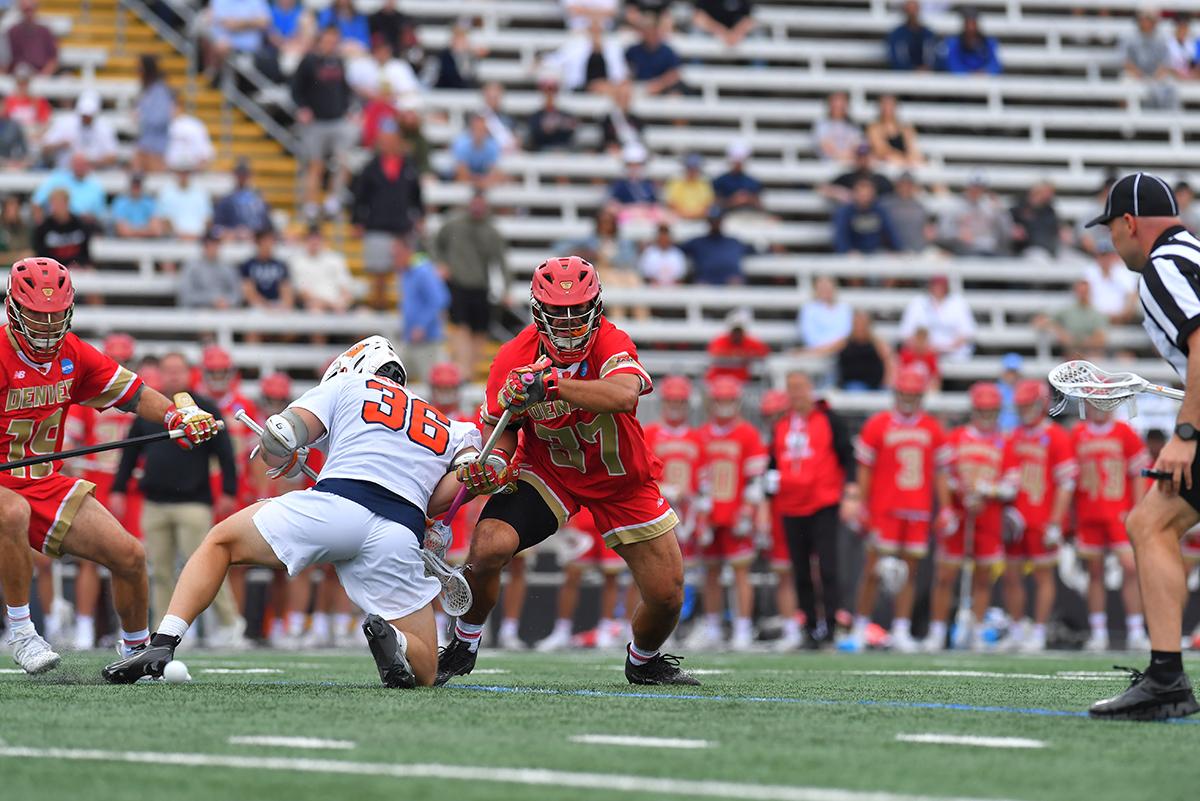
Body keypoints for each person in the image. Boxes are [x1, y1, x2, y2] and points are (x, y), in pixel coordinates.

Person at [103, 336, 483, 688]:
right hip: (401, 529)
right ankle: (395, 638)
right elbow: (463, 482)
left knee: (220, 542)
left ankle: (163, 641)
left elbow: (281, 434)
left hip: (338, 506)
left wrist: (287, 452)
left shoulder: (345, 385)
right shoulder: (450, 424)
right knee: (426, 669)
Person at [435, 256, 699, 687]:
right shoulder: (512, 358)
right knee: (486, 549)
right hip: (550, 471)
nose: (570, 321)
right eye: (559, 311)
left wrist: (552, 385)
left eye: (579, 310)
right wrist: (496, 463)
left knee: (667, 595)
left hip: (621, 480)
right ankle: (465, 642)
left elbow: (624, 395)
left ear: (596, 307)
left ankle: (644, 659)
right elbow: (501, 429)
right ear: (539, 311)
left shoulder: (611, 341)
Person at [0, 258, 219, 675]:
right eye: (36, 315)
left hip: (43, 481)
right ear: (13, 308)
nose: (47, 325)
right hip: (3, 483)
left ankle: (137, 653)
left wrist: (176, 417)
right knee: (12, 511)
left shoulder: (74, 353)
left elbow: (134, 393)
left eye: (54, 315)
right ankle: (23, 634)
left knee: (130, 555)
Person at [1084, 172, 1200, 719]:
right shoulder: (1191, 250)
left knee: (1150, 525)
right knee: (1151, 523)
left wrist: (1185, 433)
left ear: (1130, 223)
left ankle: (1167, 680)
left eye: (1110, 228)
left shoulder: (1162, 266)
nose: (1112, 241)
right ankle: (1166, 676)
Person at [109, 352, 242, 644]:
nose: (172, 376)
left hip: (194, 503)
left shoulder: (206, 407)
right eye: (167, 370)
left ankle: (230, 624)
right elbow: (130, 452)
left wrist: (229, 491)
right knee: (160, 572)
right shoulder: (151, 409)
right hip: (155, 503)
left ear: (189, 373)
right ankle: (165, 629)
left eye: (177, 370)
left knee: (207, 566)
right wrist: (119, 488)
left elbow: (226, 455)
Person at [840, 366, 949, 653]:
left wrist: (946, 507)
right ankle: (860, 626)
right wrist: (862, 503)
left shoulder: (932, 427)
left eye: (914, 393)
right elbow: (865, 468)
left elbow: (940, 472)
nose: (909, 398)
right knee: (872, 569)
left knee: (909, 573)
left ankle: (901, 628)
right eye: (904, 392)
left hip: (917, 508)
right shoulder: (878, 424)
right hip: (884, 508)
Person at [60, 334, 145, 651]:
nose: (121, 367)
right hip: (97, 483)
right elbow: (69, 441)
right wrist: (74, 468)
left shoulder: (138, 394)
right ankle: (84, 627)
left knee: (133, 559)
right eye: (116, 360)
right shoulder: (87, 395)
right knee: (90, 560)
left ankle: (132, 631)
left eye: (126, 361)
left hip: (133, 486)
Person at [769, 371, 855, 648]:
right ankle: (808, 627)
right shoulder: (781, 424)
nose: (796, 394)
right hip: (791, 506)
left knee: (828, 566)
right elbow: (773, 464)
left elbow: (847, 455)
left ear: (811, 390)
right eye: (791, 388)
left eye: (801, 388)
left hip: (823, 503)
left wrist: (851, 492)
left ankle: (830, 625)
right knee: (801, 570)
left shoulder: (829, 419)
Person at [686, 376, 767, 651]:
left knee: (741, 571)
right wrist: (699, 515)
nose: (723, 405)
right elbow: (697, 478)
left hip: (735, 513)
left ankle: (743, 629)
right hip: (711, 514)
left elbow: (756, 478)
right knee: (710, 572)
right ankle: (712, 627)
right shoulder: (701, 435)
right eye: (719, 400)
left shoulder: (747, 434)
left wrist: (747, 510)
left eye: (728, 400)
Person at [926, 382, 1008, 652]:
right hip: (960, 514)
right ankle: (937, 631)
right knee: (946, 574)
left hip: (989, 514)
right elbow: (943, 472)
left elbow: (1012, 482)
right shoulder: (957, 437)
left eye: (991, 411)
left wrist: (989, 490)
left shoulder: (1004, 441)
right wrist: (953, 498)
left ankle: (975, 629)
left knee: (983, 575)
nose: (987, 416)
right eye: (982, 410)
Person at [996, 380, 1074, 655]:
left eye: (1028, 405)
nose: (1023, 410)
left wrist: (1055, 521)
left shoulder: (1056, 436)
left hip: (1042, 517)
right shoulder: (1012, 436)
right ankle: (1017, 629)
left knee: (1043, 576)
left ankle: (1039, 631)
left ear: (1040, 404)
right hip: (1017, 518)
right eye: (1021, 406)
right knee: (1011, 575)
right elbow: (1006, 476)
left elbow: (1066, 483)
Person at [1072, 406, 1150, 653]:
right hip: (1089, 510)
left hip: (1119, 510)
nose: (1098, 408)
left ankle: (1136, 630)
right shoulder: (1078, 432)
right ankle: (1098, 632)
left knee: (1130, 567)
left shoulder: (1124, 432)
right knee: (1094, 572)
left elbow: (1139, 472)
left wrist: (1137, 508)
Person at [433, 191, 508, 378]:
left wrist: (506, 288)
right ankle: (462, 369)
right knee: (460, 327)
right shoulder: (454, 225)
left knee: (480, 331)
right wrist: (440, 263)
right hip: (458, 285)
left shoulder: (491, 232)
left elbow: (501, 261)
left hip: (481, 287)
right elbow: (434, 243)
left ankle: (470, 370)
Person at [350, 121, 424, 310]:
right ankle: (378, 311)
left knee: (408, 274)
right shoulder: (371, 168)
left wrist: (420, 217)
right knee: (378, 275)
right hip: (377, 226)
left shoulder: (408, 166)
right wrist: (357, 221)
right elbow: (359, 196)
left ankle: (406, 313)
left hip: (402, 228)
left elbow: (417, 195)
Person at [533, 509, 628, 652]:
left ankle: (606, 629)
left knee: (611, 576)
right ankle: (562, 630)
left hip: (609, 519)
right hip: (582, 522)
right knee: (571, 575)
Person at [292, 25, 354, 219]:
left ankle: (333, 200)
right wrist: (302, 107)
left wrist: (348, 109)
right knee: (315, 165)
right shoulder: (310, 61)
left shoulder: (339, 62)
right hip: (316, 122)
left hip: (337, 119)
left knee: (343, 162)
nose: (331, 44)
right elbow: (295, 87)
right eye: (328, 40)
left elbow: (345, 90)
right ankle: (310, 204)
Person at [397, 240, 449, 383]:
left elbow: (439, 300)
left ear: (407, 252)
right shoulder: (406, 272)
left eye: (397, 254)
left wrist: (421, 326)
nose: (394, 258)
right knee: (392, 375)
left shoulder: (423, 271)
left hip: (427, 341)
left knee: (435, 383)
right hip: (411, 340)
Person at [898, 274, 976, 361]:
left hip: (953, 354)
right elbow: (905, 333)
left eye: (941, 285)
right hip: (923, 354)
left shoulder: (958, 303)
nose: (938, 288)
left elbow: (967, 333)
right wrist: (924, 348)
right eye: (936, 285)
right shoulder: (918, 302)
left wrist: (944, 348)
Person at [40, 91, 118, 170]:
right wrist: (60, 144)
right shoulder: (65, 124)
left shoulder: (104, 128)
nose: (86, 118)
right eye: (84, 115)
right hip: (65, 172)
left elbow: (112, 157)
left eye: (89, 116)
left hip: (94, 174)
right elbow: (44, 149)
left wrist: (89, 162)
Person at [289, 224, 355, 315]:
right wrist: (330, 304)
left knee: (365, 316)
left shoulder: (335, 258)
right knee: (316, 312)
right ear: (305, 240)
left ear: (323, 239)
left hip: (338, 305)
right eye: (311, 238)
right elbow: (302, 293)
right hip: (313, 305)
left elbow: (346, 288)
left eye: (317, 238)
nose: (314, 241)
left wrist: (342, 303)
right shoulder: (297, 261)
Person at [1036, 279, 1107, 361]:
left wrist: (1077, 343)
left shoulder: (1096, 313)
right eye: (1081, 292)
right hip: (1070, 354)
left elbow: (1101, 338)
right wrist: (1060, 332)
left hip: (1089, 355)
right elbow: (1041, 321)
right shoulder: (1067, 310)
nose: (1083, 295)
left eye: (1085, 292)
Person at [938, 175, 1008, 256]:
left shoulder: (991, 206)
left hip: (989, 249)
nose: (976, 191)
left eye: (980, 188)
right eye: (974, 187)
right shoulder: (955, 205)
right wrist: (957, 235)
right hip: (964, 248)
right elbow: (942, 232)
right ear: (968, 187)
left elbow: (1005, 234)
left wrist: (1001, 213)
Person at [1123, 9, 1177, 110]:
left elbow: (1165, 63)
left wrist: (1155, 77)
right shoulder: (1129, 37)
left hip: (1156, 75)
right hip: (1135, 75)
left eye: (1149, 20)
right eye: (1144, 19)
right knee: (1125, 84)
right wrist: (1140, 75)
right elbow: (1125, 61)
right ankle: (1130, 120)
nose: (1146, 23)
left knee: (1171, 85)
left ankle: (1168, 118)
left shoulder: (1161, 39)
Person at [31, 153, 106, 225]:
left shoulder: (96, 187)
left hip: (83, 226)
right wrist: (40, 225)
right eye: (77, 164)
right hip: (54, 224)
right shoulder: (57, 178)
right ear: (71, 164)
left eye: (82, 164)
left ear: (88, 166)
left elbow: (99, 214)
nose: (79, 167)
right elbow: (37, 202)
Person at [682, 209, 753, 285]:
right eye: (713, 221)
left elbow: (754, 250)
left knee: (736, 282)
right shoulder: (697, 242)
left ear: (722, 221)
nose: (715, 223)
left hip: (731, 280)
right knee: (701, 286)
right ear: (708, 222)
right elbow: (676, 249)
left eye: (717, 220)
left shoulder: (734, 242)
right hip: (706, 279)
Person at [176, 228, 242, 309]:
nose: (213, 247)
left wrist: (227, 301)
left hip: (224, 312)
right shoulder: (191, 267)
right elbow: (185, 295)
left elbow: (237, 293)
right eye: (209, 244)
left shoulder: (228, 267)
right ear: (203, 246)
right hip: (197, 313)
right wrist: (211, 300)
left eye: (216, 244)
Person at [832, 178, 900, 255]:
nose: (865, 197)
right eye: (862, 194)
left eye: (868, 194)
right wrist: (846, 251)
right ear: (855, 193)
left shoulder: (880, 210)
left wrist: (897, 250)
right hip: (853, 253)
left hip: (876, 252)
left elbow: (890, 232)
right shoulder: (845, 212)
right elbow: (841, 236)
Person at [212, 158, 272, 240]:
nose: (242, 177)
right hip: (234, 242)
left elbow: (268, 226)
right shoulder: (226, 201)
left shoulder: (259, 201)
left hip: (256, 240)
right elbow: (216, 228)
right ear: (234, 175)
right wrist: (233, 232)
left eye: (245, 174)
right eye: (239, 174)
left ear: (250, 175)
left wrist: (254, 233)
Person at [206, 0, 270, 77]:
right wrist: (252, 23)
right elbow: (225, 23)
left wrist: (240, 24)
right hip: (225, 46)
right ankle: (216, 76)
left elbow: (265, 22)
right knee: (220, 45)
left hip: (252, 50)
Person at [705, 308, 770, 383]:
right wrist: (738, 354)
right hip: (718, 377)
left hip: (742, 379)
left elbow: (764, 352)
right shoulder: (720, 340)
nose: (737, 334)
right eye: (735, 331)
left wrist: (742, 354)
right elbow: (714, 352)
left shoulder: (750, 341)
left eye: (739, 331)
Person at [33, 189, 91, 271]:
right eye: (55, 204)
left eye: (61, 203)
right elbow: (40, 255)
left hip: (77, 269)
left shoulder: (80, 225)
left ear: (67, 203)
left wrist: (79, 264)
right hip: (51, 270)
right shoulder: (43, 228)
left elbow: (85, 253)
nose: (58, 207)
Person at [239, 229, 294, 312]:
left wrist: (284, 305)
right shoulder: (248, 265)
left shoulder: (280, 265)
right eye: (265, 241)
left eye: (271, 241)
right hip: (256, 306)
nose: (269, 245)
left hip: (278, 304)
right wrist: (265, 306)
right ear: (258, 243)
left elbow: (286, 289)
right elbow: (248, 291)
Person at [133, 57, 173, 171]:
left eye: (140, 69)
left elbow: (161, 118)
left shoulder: (159, 91)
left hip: (156, 148)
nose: (137, 72)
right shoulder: (147, 91)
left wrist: (141, 117)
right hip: (146, 144)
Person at [625, 19, 685, 95]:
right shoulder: (633, 51)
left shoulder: (667, 52)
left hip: (663, 89)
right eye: (648, 31)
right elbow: (626, 70)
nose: (651, 35)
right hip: (638, 88)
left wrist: (659, 85)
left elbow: (674, 74)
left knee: (675, 95)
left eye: (653, 32)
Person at [836, 309, 892, 391]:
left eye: (863, 324)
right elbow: (825, 349)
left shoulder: (878, 344)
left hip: (874, 386)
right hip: (850, 386)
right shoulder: (844, 343)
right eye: (857, 324)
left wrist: (886, 384)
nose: (860, 327)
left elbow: (889, 363)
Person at [154, 164, 213, 241]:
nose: (184, 175)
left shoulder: (201, 193)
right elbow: (164, 220)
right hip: (174, 240)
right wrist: (178, 237)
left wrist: (199, 237)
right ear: (176, 174)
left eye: (186, 172)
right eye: (181, 172)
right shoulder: (166, 193)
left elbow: (207, 219)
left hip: (199, 240)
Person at [797, 275, 852, 355]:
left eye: (828, 287)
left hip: (841, 350)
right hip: (817, 350)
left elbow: (847, 333)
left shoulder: (844, 308)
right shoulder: (809, 309)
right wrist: (828, 348)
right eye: (822, 288)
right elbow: (808, 335)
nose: (825, 291)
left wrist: (832, 347)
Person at [526, 75, 579, 153]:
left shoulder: (566, 115)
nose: (550, 93)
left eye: (553, 90)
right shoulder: (535, 116)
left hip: (563, 152)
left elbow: (571, 132)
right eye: (547, 90)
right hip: (541, 152)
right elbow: (535, 136)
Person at [866, 95, 922, 167]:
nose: (887, 108)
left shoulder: (905, 128)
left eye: (890, 105)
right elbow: (881, 151)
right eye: (885, 105)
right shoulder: (873, 128)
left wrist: (907, 160)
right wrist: (903, 160)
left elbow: (913, 150)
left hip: (903, 165)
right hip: (883, 166)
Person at [883, 172, 932, 253]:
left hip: (916, 251)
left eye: (909, 185)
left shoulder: (920, 207)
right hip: (891, 253)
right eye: (902, 184)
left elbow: (927, 230)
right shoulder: (885, 205)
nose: (905, 188)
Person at [942, 8, 1001, 75]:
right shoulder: (954, 42)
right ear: (964, 25)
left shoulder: (988, 42)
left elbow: (995, 65)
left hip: (984, 82)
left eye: (973, 24)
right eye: (968, 24)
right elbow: (952, 65)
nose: (971, 28)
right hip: (960, 83)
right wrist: (968, 74)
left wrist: (985, 72)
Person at [607, 143, 659, 220]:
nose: (634, 168)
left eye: (637, 164)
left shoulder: (649, 184)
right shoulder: (620, 184)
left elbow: (654, 204)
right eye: (631, 165)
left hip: (647, 218)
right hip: (626, 218)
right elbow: (612, 205)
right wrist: (632, 210)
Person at [1010, 182, 1063, 258]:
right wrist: (1014, 229)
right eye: (1048, 192)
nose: (1050, 195)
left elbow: (1056, 229)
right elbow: (1010, 226)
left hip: (1051, 248)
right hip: (1028, 248)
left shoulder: (1049, 211)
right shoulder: (1019, 208)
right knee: (1041, 259)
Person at [1085, 251, 1139, 323]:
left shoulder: (1124, 273)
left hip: (1120, 320)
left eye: (1108, 256)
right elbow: (1083, 295)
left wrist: (1123, 315)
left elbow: (1132, 296)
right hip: (1094, 319)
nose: (1106, 260)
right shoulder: (1089, 272)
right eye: (1103, 256)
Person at [712, 140, 764, 215]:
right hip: (727, 217)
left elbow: (759, 205)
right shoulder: (720, 181)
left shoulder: (753, 182)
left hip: (748, 216)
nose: (738, 163)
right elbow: (715, 204)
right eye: (736, 160)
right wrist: (733, 201)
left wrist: (748, 199)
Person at [7, 0, 58, 76]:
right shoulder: (12, 32)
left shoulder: (45, 32)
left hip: (40, 75)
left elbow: (53, 58)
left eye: (30, 9)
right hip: (17, 76)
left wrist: (43, 76)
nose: (28, 13)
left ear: (36, 9)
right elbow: (4, 59)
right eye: (26, 10)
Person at [451, 113, 502, 188]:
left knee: (501, 176)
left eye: (482, 130)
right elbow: (461, 172)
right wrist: (479, 181)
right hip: (466, 178)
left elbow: (493, 171)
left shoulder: (492, 146)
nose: (480, 133)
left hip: (481, 178)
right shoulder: (461, 144)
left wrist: (483, 181)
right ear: (471, 130)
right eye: (477, 129)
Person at [886, 0, 938, 71]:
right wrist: (914, 70)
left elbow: (932, 58)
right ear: (905, 11)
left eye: (914, 9)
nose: (912, 13)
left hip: (926, 75)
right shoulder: (897, 35)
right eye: (909, 10)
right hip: (904, 76)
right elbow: (898, 60)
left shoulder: (928, 34)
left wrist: (925, 69)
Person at [813, 92, 862, 165]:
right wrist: (842, 157)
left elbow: (857, 146)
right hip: (828, 164)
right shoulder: (821, 124)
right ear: (830, 104)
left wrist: (847, 157)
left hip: (850, 164)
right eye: (835, 102)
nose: (838, 106)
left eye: (841, 103)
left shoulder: (853, 125)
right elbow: (825, 147)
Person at [664, 153, 714, 221]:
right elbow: (671, 203)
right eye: (690, 168)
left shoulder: (704, 184)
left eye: (695, 168)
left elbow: (708, 204)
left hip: (700, 219)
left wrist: (694, 215)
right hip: (679, 219)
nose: (693, 171)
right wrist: (685, 214)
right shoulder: (675, 183)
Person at [111, 173, 161, 240]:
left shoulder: (150, 202)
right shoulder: (120, 202)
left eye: (138, 185)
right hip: (125, 243)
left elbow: (156, 230)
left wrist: (134, 232)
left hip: (147, 242)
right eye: (134, 185)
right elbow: (122, 231)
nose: (136, 188)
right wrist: (145, 231)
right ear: (130, 185)